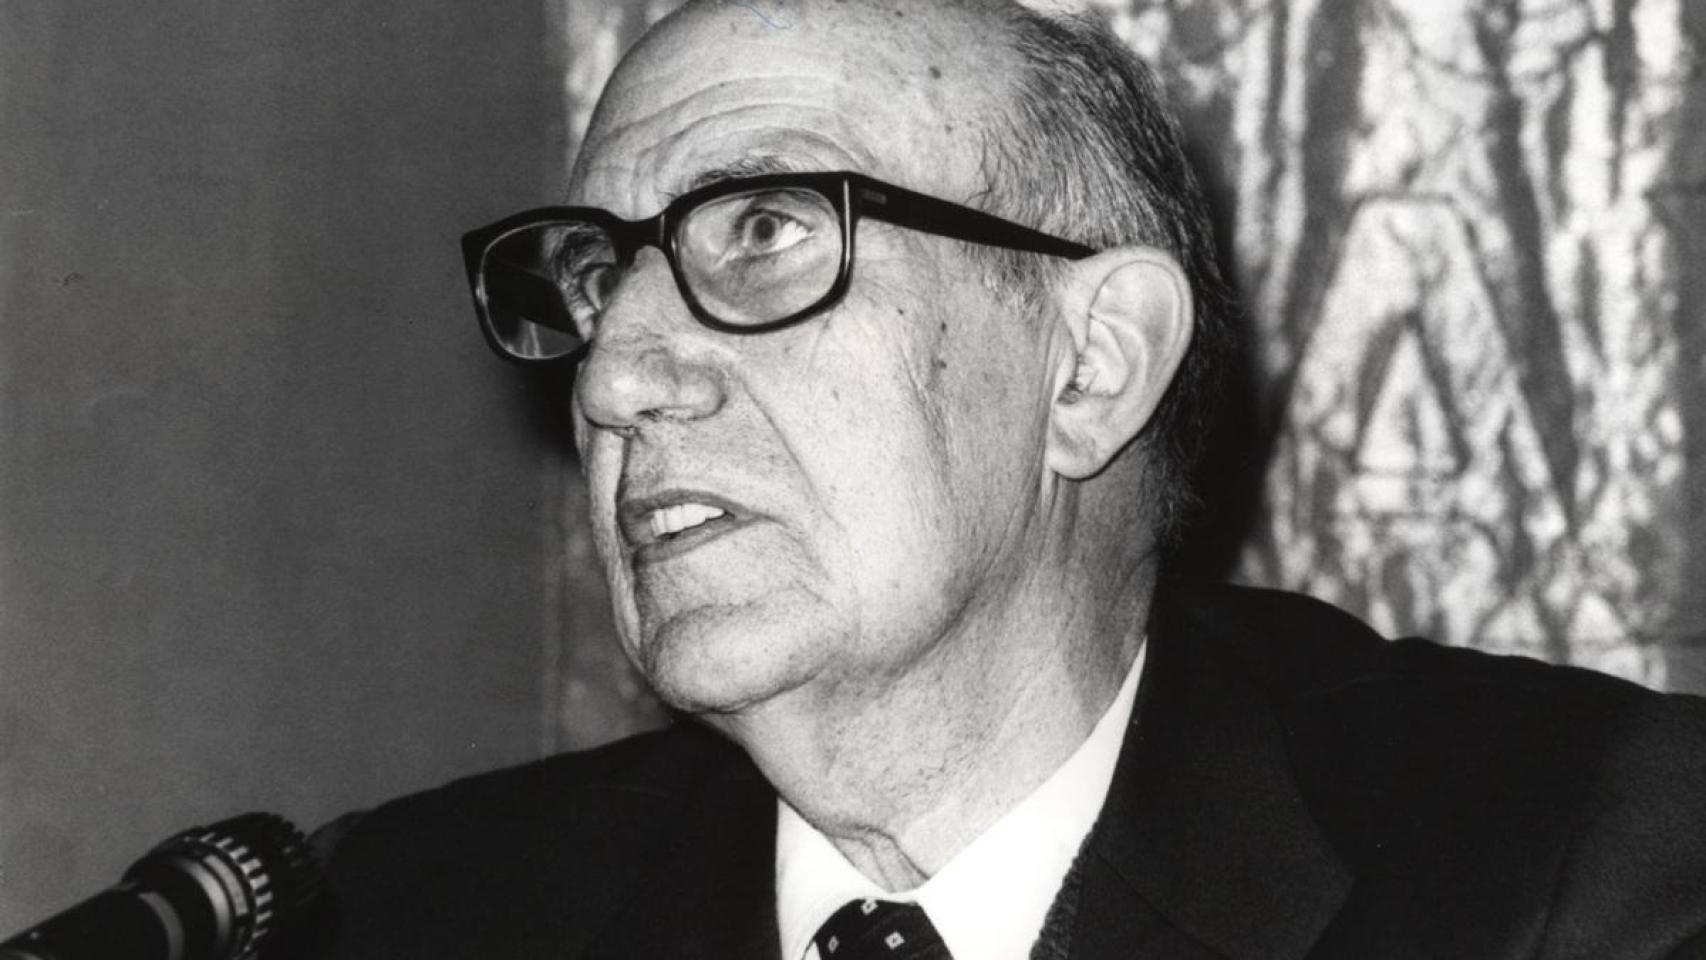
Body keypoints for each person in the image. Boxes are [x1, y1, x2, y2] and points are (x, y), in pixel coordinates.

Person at [293, 1, 1706, 957]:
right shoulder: (404, 912)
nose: (614, 378)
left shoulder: (1596, 868)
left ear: (1089, 368)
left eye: (767, 229)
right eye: (599, 280)